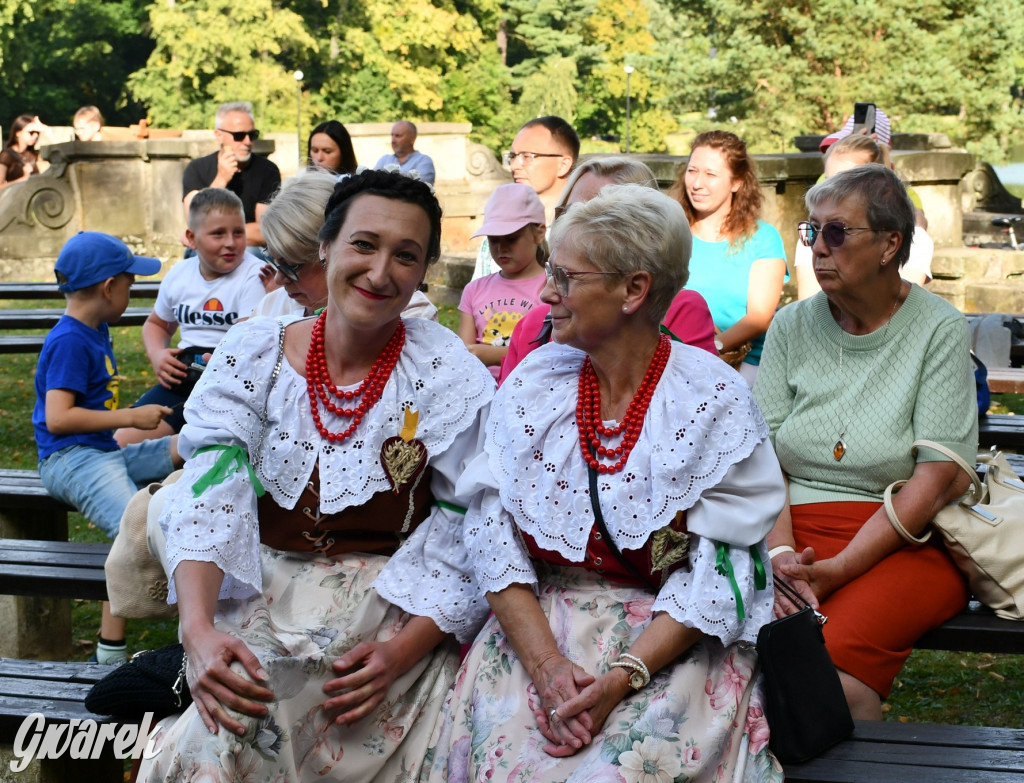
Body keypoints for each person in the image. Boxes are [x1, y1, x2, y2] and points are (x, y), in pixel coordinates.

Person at [137, 169, 494, 783]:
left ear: (424, 271)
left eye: (405, 255)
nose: (380, 273)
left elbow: (470, 524)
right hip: (262, 594)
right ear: (325, 247)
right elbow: (209, 496)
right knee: (221, 735)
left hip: (390, 611)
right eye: (364, 245)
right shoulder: (256, 353)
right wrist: (196, 630)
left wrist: (399, 652)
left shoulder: (443, 372)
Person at [423, 184, 787, 782]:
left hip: (667, 646)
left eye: (566, 277)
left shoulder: (711, 399)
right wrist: (546, 665)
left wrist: (620, 680)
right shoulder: (537, 383)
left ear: (634, 290)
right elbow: (491, 539)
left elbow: (720, 577)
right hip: (540, 631)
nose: (547, 293)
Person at [755, 164, 977, 720]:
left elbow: (933, 483)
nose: (816, 247)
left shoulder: (939, 328)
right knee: (728, 654)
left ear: (889, 244)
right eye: (812, 231)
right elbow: (761, 457)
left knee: (823, 671)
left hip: (902, 541)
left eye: (836, 232)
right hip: (784, 531)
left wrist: (839, 569)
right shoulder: (790, 325)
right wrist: (781, 555)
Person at [33, 231, 181, 665]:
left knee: (183, 447)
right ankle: (110, 650)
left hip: (101, 452)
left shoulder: (94, 330)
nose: (131, 292)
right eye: (130, 284)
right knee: (135, 528)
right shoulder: (70, 341)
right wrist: (131, 418)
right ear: (109, 287)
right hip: (71, 459)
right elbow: (59, 418)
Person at [498, 157, 717, 384]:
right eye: (570, 212)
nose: (575, 227)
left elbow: (698, 392)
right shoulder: (534, 324)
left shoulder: (682, 309)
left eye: (600, 218)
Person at [115, 189, 265, 445]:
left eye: (238, 232)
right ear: (191, 238)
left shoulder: (255, 275)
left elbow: (245, 342)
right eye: (218, 233)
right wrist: (157, 354)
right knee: (120, 443)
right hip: (182, 380)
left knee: (194, 448)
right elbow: (157, 324)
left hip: (230, 389)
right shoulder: (179, 274)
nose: (231, 242)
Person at [669, 130, 787, 385]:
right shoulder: (668, 232)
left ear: (737, 182)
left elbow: (759, 318)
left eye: (710, 174)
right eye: (692, 171)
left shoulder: (764, 238)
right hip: (672, 360)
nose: (697, 183)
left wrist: (711, 348)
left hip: (744, 365)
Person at [253, 168, 437, 321]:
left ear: (327, 250)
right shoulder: (271, 309)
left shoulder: (413, 319)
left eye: (292, 266)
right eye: (276, 262)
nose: (280, 279)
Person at [796, 135, 933, 299]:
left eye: (845, 184)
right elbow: (809, 306)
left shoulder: (916, 239)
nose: (818, 248)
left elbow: (900, 306)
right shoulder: (812, 237)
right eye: (828, 180)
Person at [472, 116, 580, 280]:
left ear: (563, 164)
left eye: (528, 156)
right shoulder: (497, 231)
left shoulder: (584, 231)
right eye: (513, 156)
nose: (514, 166)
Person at [459, 183, 547, 379]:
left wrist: (491, 355)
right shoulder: (474, 290)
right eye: (494, 240)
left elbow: (552, 351)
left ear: (539, 233)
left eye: (511, 239)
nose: (501, 248)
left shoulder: (552, 289)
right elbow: (463, 353)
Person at [182, 102, 281, 248]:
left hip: (248, 249)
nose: (247, 142)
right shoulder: (197, 168)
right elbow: (194, 220)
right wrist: (221, 180)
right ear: (219, 136)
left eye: (252, 135)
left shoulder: (267, 170)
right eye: (239, 136)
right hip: (207, 249)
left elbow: (264, 230)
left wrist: (208, 234)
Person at [0, 114, 47, 189]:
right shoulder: (7, 155)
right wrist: (24, 179)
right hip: (16, 195)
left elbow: (58, 150)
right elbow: (0, 186)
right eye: (31, 132)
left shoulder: (35, 154)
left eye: (37, 133)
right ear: (18, 133)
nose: (35, 136)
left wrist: (45, 129)